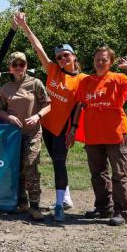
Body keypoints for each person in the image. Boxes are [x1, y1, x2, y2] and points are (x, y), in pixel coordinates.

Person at [14, 12, 82, 217]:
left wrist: (74, 129)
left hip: (62, 128)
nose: (62, 59)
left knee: (59, 162)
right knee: (54, 160)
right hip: (45, 126)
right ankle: (66, 197)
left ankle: (60, 205)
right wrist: (25, 27)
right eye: (59, 57)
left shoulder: (82, 80)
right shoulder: (53, 69)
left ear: (74, 56)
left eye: (66, 55)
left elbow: (79, 107)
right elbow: (38, 48)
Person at [70, 47, 127, 226]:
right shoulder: (86, 81)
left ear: (110, 62)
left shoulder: (118, 78)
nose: (100, 62)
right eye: (97, 59)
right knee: (97, 174)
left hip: (116, 133)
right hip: (93, 134)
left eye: (104, 60)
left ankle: (122, 212)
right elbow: (80, 105)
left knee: (119, 175)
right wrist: (73, 128)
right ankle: (104, 207)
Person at [0, 52, 51, 222]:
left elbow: (47, 105)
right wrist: (8, 117)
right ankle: (22, 202)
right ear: (10, 68)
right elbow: (0, 109)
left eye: (22, 64)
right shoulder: (5, 88)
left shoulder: (35, 83)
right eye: (15, 64)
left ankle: (35, 206)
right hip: (13, 135)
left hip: (32, 132)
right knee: (16, 168)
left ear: (26, 66)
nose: (18, 67)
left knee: (30, 165)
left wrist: (37, 116)